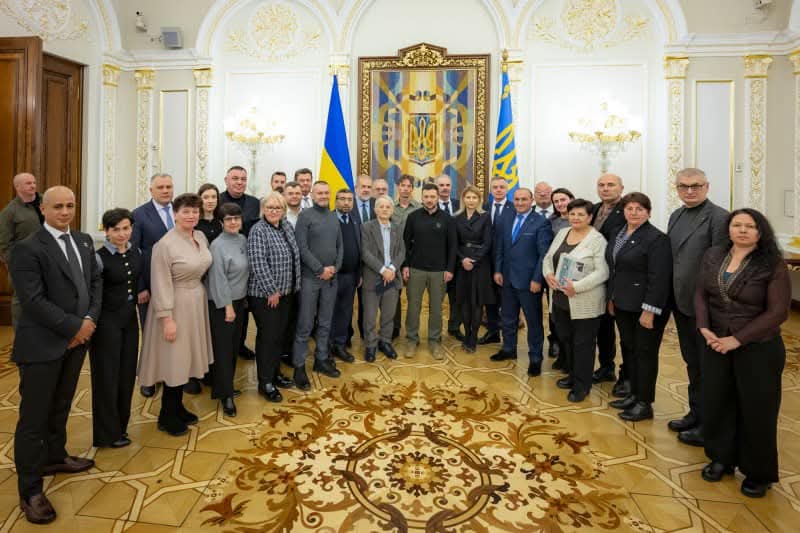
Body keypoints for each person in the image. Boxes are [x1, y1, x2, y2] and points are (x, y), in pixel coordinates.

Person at [10, 186, 101, 524]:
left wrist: (88, 321)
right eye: (58, 206)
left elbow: (95, 283)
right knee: (33, 419)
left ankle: (54, 456)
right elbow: (33, 301)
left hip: (77, 342)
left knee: (61, 405)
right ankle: (30, 490)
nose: (65, 212)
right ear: (43, 209)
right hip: (42, 345)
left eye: (70, 205)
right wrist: (74, 327)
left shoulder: (84, 241)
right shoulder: (27, 248)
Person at [694, 208, 791, 498]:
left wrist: (737, 339)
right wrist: (703, 327)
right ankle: (721, 458)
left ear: (760, 231)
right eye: (737, 225)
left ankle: (758, 472)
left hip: (758, 347)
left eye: (750, 226)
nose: (743, 230)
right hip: (716, 343)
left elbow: (778, 312)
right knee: (717, 401)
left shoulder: (772, 264)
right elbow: (701, 293)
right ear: (729, 229)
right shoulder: (713, 255)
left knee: (757, 410)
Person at [138, 193, 214, 437]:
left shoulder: (200, 236)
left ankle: (177, 407)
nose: (191, 216)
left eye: (195, 211)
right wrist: (167, 319)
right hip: (174, 305)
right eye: (186, 211)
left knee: (187, 358)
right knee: (174, 360)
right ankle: (166, 415)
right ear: (175, 214)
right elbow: (160, 283)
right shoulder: (165, 245)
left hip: (196, 302)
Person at [667, 168, 728, 448]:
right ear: (677, 188)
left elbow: (720, 265)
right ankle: (696, 413)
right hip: (682, 303)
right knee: (692, 362)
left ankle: (710, 425)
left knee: (709, 368)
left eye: (695, 186)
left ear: (707, 186)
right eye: (683, 186)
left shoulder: (719, 217)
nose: (689, 191)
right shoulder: (676, 215)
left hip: (706, 307)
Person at [606, 192, 672, 422]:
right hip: (622, 302)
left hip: (645, 307)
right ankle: (633, 394)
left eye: (639, 209)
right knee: (629, 349)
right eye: (629, 208)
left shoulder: (657, 238)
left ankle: (645, 403)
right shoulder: (618, 232)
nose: (634, 213)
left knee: (645, 354)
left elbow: (659, 277)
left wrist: (649, 310)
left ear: (648, 212)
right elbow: (614, 268)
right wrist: (612, 298)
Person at [542, 199, 608, 402]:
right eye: (572, 214)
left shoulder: (597, 240)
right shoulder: (563, 233)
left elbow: (603, 272)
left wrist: (577, 287)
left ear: (590, 217)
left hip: (584, 301)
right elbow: (548, 258)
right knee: (567, 340)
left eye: (581, 214)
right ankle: (572, 375)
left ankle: (582, 386)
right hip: (560, 299)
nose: (576, 218)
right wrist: (548, 274)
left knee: (583, 345)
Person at [90, 208, 142, 449]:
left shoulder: (136, 252)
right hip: (106, 324)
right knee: (106, 377)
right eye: (116, 229)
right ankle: (106, 434)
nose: (122, 234)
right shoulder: (98, 258)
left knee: (126, 374)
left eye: (126, 228)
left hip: (130, 322)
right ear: (107, 231)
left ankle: (121, 426)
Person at [491, 188, 553, 376]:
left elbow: (544, 255)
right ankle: (508, 348)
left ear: (531, 200)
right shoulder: (507, 218)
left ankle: (535, 358)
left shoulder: (541, 222)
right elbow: (500, 247)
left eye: (524, 199)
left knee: (533, 321)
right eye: (517, 199)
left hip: (529, 282)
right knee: (508, 317)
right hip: (507, 278)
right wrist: (498, 270)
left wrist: (537, 279)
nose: (519, 203)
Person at [248, 193, 301, 402]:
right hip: (265, 295)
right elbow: (258, 263)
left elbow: (294, 256)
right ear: (263, 209)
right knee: (268, 338)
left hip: (286, 293)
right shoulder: (258, 230)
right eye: (269, 207)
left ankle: (275, 372)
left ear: (284, 210)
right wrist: (271, 290)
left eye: (278, 208)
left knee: (279, 336)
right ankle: (265, 382)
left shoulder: (286, 226)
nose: (273, 211)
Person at [293, 181, 343, 387]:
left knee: (325, 322)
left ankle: (321, 359)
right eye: (319, 193)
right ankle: (299, 366)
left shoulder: (333, 216)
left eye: (326, 192)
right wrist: (319, 269)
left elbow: (340, 246)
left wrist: (335, 268)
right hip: (310, 279)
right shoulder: (305, 216)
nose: (323, 196)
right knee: (305, 325)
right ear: (312, 195)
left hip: (331, 279)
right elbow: (301, 247)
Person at [132, 173, 175, 397]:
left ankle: (173, 372)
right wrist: (140, 286)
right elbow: (134, 251)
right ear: (151, 190)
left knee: (174, 331)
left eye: (169, 186)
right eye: (161, 187)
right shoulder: (139, 214)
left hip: (177, 285)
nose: (166, 191)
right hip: (149, 285)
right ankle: (149, 377)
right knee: (150, 332)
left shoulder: (180, 211)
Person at [402, 182, 457, 359]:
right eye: (426, 196)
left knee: (436, 309)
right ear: (422, 197)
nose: (429, 200)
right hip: (416, 270)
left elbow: (453, 246)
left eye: (433, 196)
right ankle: (412, 339)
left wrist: (450, 269)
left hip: (439, 272)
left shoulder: (447, 219)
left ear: (438, 197)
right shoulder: (413, 217)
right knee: (413, 307)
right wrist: (405, 265)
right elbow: (405, 244)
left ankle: (434, 341)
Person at [206, 203, 249, 417]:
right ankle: (226, 396)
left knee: (232, 348)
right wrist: (228, 307)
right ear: (221, 222)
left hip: (239, 302)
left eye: (236, 218)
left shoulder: (242, 239)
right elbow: (218, 279)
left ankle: (225, 386)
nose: (233, 222)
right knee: (223, 350)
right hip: (223, 305)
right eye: (228, 219)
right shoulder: (217, 246)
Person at [219, 165, 260, 363]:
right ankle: (223, 349)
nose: (239, 182)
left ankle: (240, 343)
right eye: (235, 178)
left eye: (243, 179)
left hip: (247, 260)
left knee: (244, 307)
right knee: (226, 309)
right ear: (226, 180)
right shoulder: (217, 200)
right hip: (225, 260)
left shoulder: (254, 202)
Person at [591, 174, 627, 394]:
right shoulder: (594, 208)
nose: (605, 188)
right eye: (601, 185)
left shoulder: (628, 210)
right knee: (603, 327)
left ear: (621, 188)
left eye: (610, 185)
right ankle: (606, 367)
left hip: (618, 278)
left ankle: (627, 376)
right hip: (596, 278)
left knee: (625, 332)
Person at [361, 195, 404, 361]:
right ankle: (371, 345)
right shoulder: (366, 227)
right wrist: (382, 270)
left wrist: (391, 269)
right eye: (381, 207)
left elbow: (402, 252)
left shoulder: (397, 228)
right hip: (373, 277)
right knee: (370, 316)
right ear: (375, 209)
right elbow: (365, 252)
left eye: (388, 207)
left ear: (392, 210)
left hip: (392, 278)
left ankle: (385, 341)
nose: (384, 209)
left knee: (388, 315)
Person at [454, 186, 494, 352]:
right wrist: (463, 259)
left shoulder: (485, 217)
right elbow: (454, 243)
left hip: (480, 264)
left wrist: (474, 260)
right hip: (462, 264)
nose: (471, 200)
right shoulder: (456, 218)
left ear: (479, 200)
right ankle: (467, 333)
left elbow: (488, 243)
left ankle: (473, 337)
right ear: (463, 199)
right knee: (464, 302)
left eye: (474, 197)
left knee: (477, 302)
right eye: (468, 197)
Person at [0, 172, 43, 325]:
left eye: (34, 182)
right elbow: (3, 243)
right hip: (23, 263)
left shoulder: (47, 202)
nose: (33, 185)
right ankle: (20, 335)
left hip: (49, 259)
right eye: (28, 183)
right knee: (20, 300)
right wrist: (13, 263)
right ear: (17, 187)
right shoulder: (9, 212)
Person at [480, 176, 515, 346]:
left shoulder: (515, 208)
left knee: (506, 299)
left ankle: (508, 336)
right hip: (486, 261)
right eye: (495, 187)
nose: (499, 190)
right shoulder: (483, 207)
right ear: (490, 190)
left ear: (507, 189)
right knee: (490, 299)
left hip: (507, 262)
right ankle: (493, 331)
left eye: (502, 187)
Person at [329, 188, 361, 363]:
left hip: (351, 276)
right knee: (329, 313)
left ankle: (340, 345)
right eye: (342, 199)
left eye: (350, 199)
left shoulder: (355, 220)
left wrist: (359, 273)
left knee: (345, 312)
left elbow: (359, 247)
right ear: (335, 201)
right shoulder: (328, 219)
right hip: (332, 276)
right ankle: (327, 347)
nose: (346, 202)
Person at [546, 187, 575, 364]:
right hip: (554, 273)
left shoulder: (581, 218)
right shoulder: (552, 221)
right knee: (556, 314)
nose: (559, 204)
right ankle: (560, 349)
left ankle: (572, 357)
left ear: (571, 199)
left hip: (575, 273)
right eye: (556, 201)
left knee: (572, 316)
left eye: (563, 199)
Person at [391, 174, 420, 339]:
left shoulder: (419, 208)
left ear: (412, 189)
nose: (406, 189)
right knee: (394, 295)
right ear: (398, 187)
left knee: (413, 297)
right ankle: (394, 328)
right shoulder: (390, 207)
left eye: (409, 186)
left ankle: (412, 331)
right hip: (394, 257)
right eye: (403, 185)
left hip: (412, 257)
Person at [436, 174, 463, 340]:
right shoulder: (430, 206)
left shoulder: (460, 205)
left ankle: (454, 327)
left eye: (447, 185)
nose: (445, 188)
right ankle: (435, 330)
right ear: (436, 187)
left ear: (451, 187)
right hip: (438, 262)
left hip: (458, 261)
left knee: (457, 298)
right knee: (437, 299)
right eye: (441, 185)